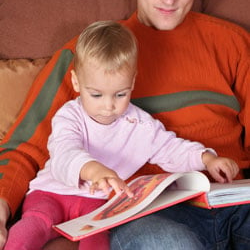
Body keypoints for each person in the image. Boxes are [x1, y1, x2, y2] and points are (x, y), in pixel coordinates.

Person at [0, 0, 249, 250]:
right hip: (150, 212)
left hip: (233, 199)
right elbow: (25, 148)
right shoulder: (89, 55)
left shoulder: (234, 44)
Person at [3, 20, 238, 250]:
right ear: (76, 82)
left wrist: (207, 158)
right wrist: (93, 170)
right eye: (96, 95)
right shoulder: (69, 116)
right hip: (52, 193)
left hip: (97, 205)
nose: (108, 106)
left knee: (97, 241)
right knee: (35, 224)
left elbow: (170, 148)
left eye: (120, 94)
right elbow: (65, 151)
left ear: (132, 82)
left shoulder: (140, 124)